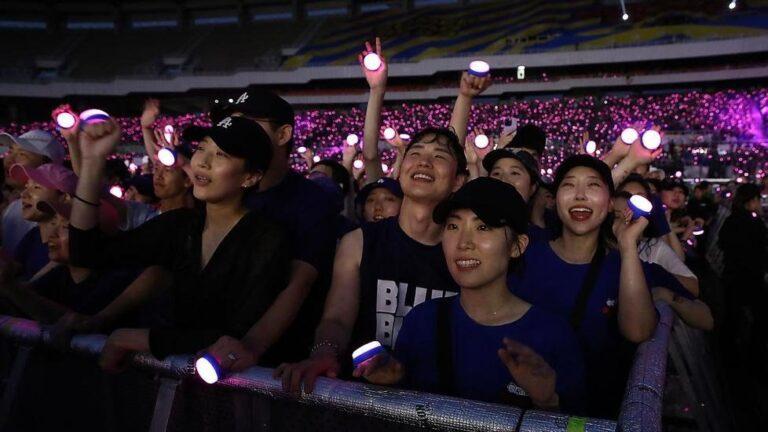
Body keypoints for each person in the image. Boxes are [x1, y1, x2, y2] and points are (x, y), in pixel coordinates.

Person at [273, 40, 489, 394]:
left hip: (440, 403)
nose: (424, 161)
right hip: (364, 396)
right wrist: (324, 353)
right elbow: (337, 318)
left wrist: (463, 98)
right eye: (415, 153)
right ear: (400, 169)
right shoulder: (358, 242)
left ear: (458, 181)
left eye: (438, 157)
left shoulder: (466, 250)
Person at [68, 115, 294, 372]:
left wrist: (143, 339)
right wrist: (93, 161)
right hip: (177, 382)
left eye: (221, 155)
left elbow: (238, 336)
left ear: (250, 177)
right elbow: (87, 254)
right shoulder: (180, 225)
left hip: (238, 387)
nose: (203, 162)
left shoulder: (267, 237)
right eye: (201, 148)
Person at [354, 178, 586, 413]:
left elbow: (579, 421)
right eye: (453, 226)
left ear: (517, 245)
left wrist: (547, 402)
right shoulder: (422, 320)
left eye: (483, 227)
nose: (463, 243)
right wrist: (394, 381)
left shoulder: (552, 335)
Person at [507, 155, 661, 417]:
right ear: (554, 200)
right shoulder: (524, 255)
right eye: (568, 185)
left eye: (593, 185)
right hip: (516, 410)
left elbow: (638, 332)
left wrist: (627, 246)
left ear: (610, 203)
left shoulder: (625, 268)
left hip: (587, 416)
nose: (580, 195)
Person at [199, 88, 339, 368]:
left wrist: (251, 346)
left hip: (270, 363)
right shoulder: (217, 191)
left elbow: (299, 282)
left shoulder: (311, 201)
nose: (235, 131)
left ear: (283, 134)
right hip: (205, 344)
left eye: (247, 123)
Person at [718, 183, 767, 369]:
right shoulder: (755, 223)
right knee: (761, 316)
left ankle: (728, 355)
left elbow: (722, 243)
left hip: (732, 275)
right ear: (752, 201)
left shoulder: (731, 220)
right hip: (752, 277)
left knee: (732, 316)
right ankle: (755, 356)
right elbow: (762, 248)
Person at [1, 129, 64, 256]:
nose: (9, 160)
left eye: (22, 154)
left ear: (47, 166)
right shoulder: (11, 209)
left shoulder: (61, 218)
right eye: (10, 152)